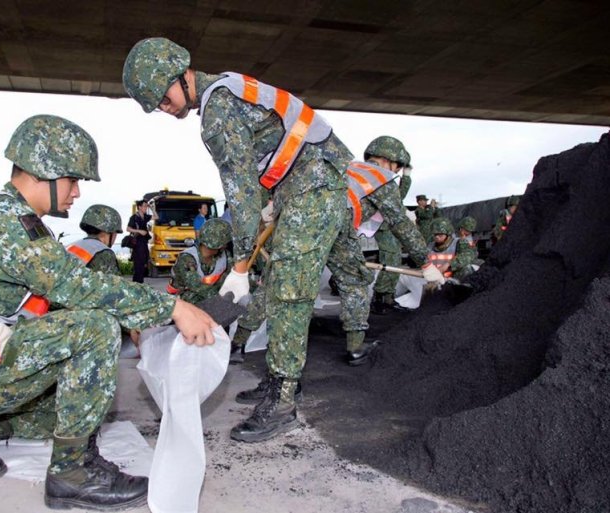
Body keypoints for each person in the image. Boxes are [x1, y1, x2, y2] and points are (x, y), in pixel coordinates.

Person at [123, 38, 444, 442]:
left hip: (314, 189)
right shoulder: (227, 90)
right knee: (280, 284)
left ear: (179, 73)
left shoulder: (217, 111)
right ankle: (281, 378)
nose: (163, 109)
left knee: (292, 289)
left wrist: (239, 265)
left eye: (161, 97)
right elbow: (264, 172)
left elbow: (238, 191)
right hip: (305, 187)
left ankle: (284, 400)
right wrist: (270, 209)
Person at [0, 115, 216, 511]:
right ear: (43, 171)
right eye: (72, 179)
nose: (77, 192)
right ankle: (72, 475)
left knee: (70, 410)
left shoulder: (1, 215)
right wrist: (171, 307)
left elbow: (58, 296)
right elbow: (71, 285)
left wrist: (136, 319)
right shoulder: (2, 219)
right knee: (95, 330)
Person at [368, 137, 412, 315]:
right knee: (390, 260)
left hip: (387, 226)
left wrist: (406, 178)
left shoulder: (385, 179)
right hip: (382, 225)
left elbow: (398, 197)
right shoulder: (377, 178)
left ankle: (387, 297)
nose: (399, 170)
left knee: (394, 260)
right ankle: (380, 298)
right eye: (399, 167)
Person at [167, 218, 232, 304]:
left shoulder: (225, 256)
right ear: (219, 244)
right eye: (225, 242)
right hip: (181, 302)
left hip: (210, 298)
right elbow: (197, 286)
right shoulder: (187, 258)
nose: (226, 245)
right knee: (192, 297)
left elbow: (235, 275)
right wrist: (223, 302)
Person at [67, 204, 123, 275]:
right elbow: (114, 284)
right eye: (116, 232)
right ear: (110, 232)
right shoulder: (103, 253)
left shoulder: (73, 245)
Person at [126, 199, 156, 283]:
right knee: (138, 264)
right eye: (144, 206)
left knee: (144, 262)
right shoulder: (134, 217)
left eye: (146, 206)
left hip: (144, 242)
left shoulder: (145, 216)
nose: (146, 208)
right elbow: (128, 229)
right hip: (137, 243)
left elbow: (156, 217)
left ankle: (140, 282)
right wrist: (139, 231)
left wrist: (152, 208)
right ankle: (136, 283)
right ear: (139, 207)